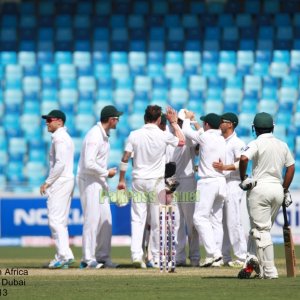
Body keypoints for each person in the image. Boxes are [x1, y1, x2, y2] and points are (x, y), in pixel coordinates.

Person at [117, 105, 185, 268]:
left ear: (144, 118)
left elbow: (125, 157)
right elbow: (182, 141)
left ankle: (136, 256)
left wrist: (121, 180)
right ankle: (153, 257)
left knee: (137, 219)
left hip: (138, 180)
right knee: (156, 221)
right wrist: (174, 123)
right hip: (156, 182)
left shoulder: (134, 134)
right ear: (159, 119)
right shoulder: (163, 135)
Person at [237, 112, 295, 279]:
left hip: (259, 189)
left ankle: (270, 271)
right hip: (277, 189)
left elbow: (243, 158)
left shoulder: (256, 143)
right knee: (259, 230)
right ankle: (253, 262)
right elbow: (291, 168)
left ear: (254, 128)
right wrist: (284, 189)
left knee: (261, 230)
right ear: (273, 127)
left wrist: (244, 178)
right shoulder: (282, 144)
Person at [77, 105, 122, 269]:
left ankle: (103, 257)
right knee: (92, 219)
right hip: (89, 181)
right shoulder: (94, 136)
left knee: (105, 219)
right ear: (111, 120)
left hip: (98, 181)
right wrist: (106, 172)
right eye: (117, 118)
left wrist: (105, 178)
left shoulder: (103, 135)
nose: (118, 121)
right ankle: (87, 259)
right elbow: (88, 164)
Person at [182, 112, 226, 267]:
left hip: (207, 183)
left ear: (207, 125)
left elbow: (186, 132)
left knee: (199, 218)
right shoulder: (222, 139)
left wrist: (187, 119)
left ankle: (215, 254)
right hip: (221, 182)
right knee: (216, 220)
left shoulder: (206, 137)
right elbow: (202, 133)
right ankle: (215, 258)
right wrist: (197, 124)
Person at [40, 110, 75, 269]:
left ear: (59, 121)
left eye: (50, 120)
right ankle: (65, 255)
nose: (47, 123)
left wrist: (47, 182)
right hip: (65, 180)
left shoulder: (59, 137)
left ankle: (63, 256)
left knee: (55, 220)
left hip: (61, 181)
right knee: (60, 222)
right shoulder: (63, 137)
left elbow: (60, 164)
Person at [212, 112, 248, 267]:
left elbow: (242, 163)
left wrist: (224, 167)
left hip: (233, 183)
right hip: (221, 182)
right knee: (222, 221)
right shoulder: (220, 140)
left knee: (234, 220)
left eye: (223, 121)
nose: (220, 123)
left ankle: (241, 257)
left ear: (230, 124)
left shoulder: (238, 142)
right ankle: (225, 256)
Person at [172, 109, 200, 267]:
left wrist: (193, 121)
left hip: (188, 181)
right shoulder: (170, 136)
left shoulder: (188, 136)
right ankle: (180, 257)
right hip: (173, 181)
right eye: (180, 121)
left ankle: (195, 257)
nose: (181, 124)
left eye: (183, 121)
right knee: (176, 222)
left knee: (191, 221)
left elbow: (198, 140)